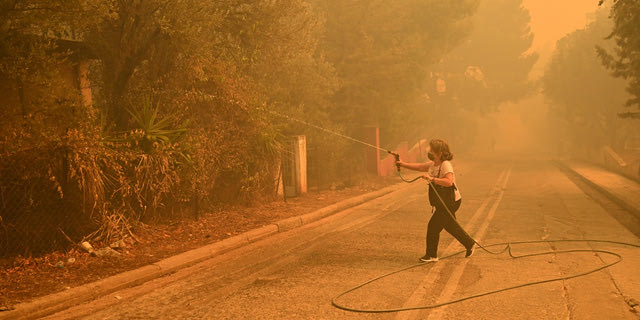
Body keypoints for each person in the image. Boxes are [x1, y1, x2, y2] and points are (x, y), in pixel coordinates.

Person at [396, 138, 475, 262]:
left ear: (439, 153)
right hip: (442, 201)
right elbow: (420, 166)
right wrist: (403, 164)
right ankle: (470, 243)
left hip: (450, 201)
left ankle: (432, 255)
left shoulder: (445, 165)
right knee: (450, 226)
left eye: (432, 150)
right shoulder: (433, 164)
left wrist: (432, 179)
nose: (429, 151)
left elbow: (449, 182)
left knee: (433, 226)